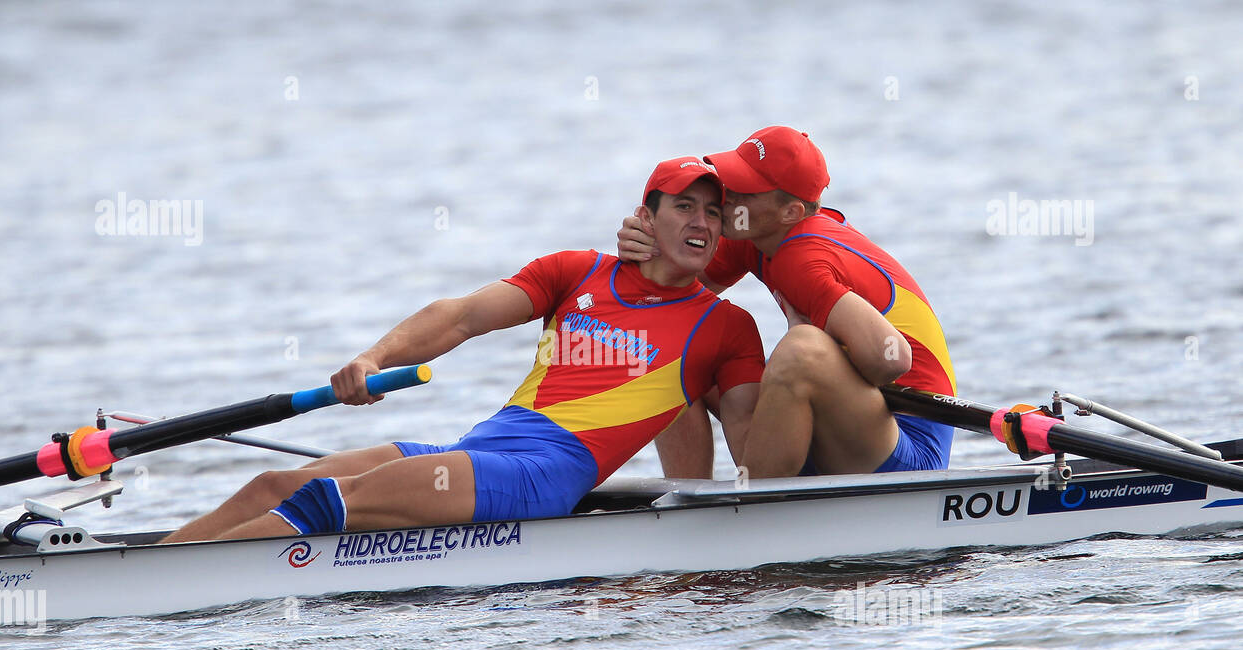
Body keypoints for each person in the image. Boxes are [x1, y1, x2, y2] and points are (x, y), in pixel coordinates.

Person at [161, 157, 764, 543]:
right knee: (275, 484)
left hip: (541, 477)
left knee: (329, 500)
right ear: (645, 218)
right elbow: (461, 317)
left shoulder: (726, 328)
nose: (703, 222)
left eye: (714, 213)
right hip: (481, 449)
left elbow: (752, 448)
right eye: (685, 205)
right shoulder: (576, 271)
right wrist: (374, 360)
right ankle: (161, 561)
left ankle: (176, 579)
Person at [618, 126, 956, 479]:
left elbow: (893, 359)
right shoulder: (755, 234)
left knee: (801, 348)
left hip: (907, 446)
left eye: (744, 190)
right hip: (839, 429)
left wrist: (822, 357)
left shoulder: (803, 257)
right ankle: (688, 498)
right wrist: (648, 247)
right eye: (729, 179)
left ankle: (757, 504)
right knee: (669, 343)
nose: (726, 197)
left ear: (791, 213)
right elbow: (660, 300)